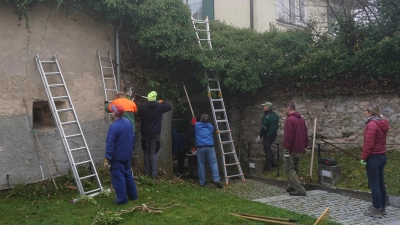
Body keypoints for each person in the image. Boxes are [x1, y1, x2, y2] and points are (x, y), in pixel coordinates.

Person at [104, 105, 138, 204]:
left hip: (117, 156)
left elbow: (110, 143)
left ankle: (122, 199)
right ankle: (133, 195)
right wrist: (131, 151)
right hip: (127, 154)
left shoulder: (114, 127)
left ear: (114, 113)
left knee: (118, 177)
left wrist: (107, 157)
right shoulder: (128, 122)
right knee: (127, 174)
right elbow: (132, 137)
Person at [361, 103, 390, 218]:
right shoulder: (382, 123)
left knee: (375, 184)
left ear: (370, 113)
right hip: (382, 155)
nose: (364, 113)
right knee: (380, 182)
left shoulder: (372, 125)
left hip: (374, 157)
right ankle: (382, 206)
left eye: (366, 111)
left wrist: (363, 157)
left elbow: (369, 144)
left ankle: (376, 208)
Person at [137, 91, 171, 179]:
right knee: (154, 152)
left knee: (146, 152)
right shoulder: (160, 106)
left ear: (148, 98)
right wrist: (161, 102)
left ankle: (146, 172)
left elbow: (136, 114)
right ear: (155, 98)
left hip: (145, 133)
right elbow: (169, 107)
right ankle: (154, 174)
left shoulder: (143, 107)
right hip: (155, 133)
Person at [282, 103, 309, 196]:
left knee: (289, 169)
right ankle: (291, 186)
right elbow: (305, 133)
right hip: (300, 148)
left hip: (292, 148)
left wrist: (286, 148)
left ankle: (300, 189)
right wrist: (305, 145)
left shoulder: (290, 120)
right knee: (295, 169)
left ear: (288, 108)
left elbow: (288, 136)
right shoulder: (301, 120)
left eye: (285, 109)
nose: (285, 111)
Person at [195, 114, 223, 188]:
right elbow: (211, 130)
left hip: (200, 146)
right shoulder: (210, 126)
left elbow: (193, 123)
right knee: (213, 163)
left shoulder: (197, 125)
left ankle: (202, 182)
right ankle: (216, 179)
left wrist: (194, 118)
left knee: (201, 164)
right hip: (210, 146)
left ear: (201, 119)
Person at [256, 101, 279, 171]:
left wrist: (260, 135)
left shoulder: (265, 116)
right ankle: (274, 162)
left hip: (268, 135)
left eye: (264, 106)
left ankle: (269, 166)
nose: (263, 107)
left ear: (268, 107)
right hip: (274, 134)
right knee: (268, 148)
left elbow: (264, 127)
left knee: (267, 150)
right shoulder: (275, 115)